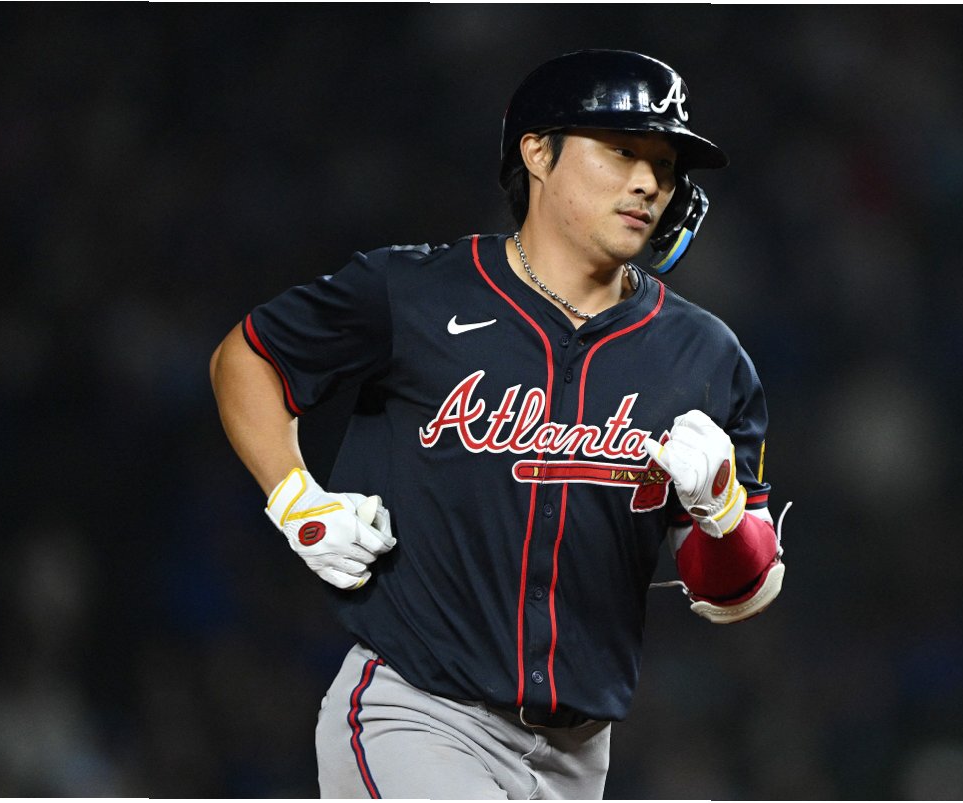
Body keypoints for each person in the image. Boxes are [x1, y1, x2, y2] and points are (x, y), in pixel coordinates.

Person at [209, 48, 786, 800]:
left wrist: (723, 511)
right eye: (622, 151)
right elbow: (249, 356)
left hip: (579, 755)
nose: (649, 182)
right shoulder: (413, 293)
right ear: (537, 152)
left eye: (665, 164)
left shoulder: (705, 355)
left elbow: (731, 595)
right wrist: (294, 496)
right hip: (418, 713)